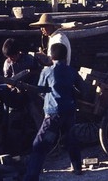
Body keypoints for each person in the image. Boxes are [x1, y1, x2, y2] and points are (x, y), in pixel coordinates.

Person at [23, 43, 84, 181]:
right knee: (71, 138)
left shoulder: (46, 71)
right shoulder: (71, 71)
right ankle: (77, 167)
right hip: (69, 111)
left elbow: (40, 90)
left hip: (53, 113)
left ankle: (31, 176)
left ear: (51, 56)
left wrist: (48, 99)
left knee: (40, 144)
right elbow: (82, 89)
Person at [2, 37, 44, 128]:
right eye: (9, 57)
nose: (11, 59)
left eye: (13, 56)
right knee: (12, 116)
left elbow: (38, 72)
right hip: (16, 93)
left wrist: (30, 74)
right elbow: (7, 81)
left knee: (36, 112)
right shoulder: (7, 64)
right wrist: (13, 85)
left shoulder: (29, 59)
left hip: (32, 92)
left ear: (18, 52)